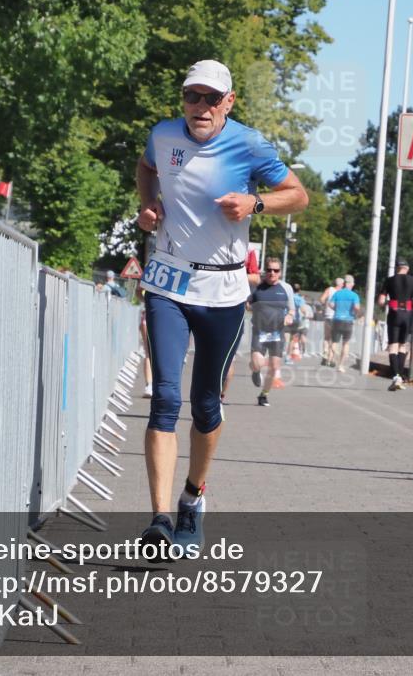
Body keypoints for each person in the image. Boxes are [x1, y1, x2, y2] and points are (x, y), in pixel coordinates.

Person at [136, 59, 308, 553]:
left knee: (206, 404)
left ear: (229, 102)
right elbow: (146, 168)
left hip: (224, 291)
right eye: (194, 96)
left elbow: (298, 195)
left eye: (213, 98)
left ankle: (192, 497)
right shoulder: (163, 136)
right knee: (166, 398)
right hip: (168, 280)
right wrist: (147, 207)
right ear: (183, 99)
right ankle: (159, 519)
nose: (202, 107)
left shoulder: (250, 144)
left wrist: (255, 205)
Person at [247, 259, 294, 406]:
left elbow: (291, 309)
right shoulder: (257, 288)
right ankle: (255, 371)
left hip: (277, 333)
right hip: (259, 331)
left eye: (275, 270)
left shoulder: (286, 288)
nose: (272, 273)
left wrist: (289, 316)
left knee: (274, 367)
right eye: (269, 270)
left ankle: (263, 395)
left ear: (280, 272)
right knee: (257, 363)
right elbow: (247, 304)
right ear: (265, 271)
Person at [221, 247, 261, 401]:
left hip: (233, 306)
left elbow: (255, 278)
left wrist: (230, 272)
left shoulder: (248, 250)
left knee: (228, 356)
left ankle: (219, 396)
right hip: (205, 303)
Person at [377, 259, 413, 391]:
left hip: (394, 313)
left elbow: (381, 301)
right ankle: (400, 376)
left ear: (397, 268)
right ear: (407, 268)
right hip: (408, 314)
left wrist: (387, 304)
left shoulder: (389, 280)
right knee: (403, 346)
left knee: (393, 346)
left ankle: (396, 376)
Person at [328, 275, 361, 372]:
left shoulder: (337, 293)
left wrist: (336, 309)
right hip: (348, 320)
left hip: (337, 319)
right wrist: (354, 312)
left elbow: (330, 304)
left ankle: (336, 354)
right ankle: (341, 366)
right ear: (351, 284)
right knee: (346, 343)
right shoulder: (354, 295)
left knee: (334, 342)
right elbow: (357, 307)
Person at [319, 277, 344, 366]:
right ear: (341, 284)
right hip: (337, 318)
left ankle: (325, 356)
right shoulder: (341, 293)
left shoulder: (329, 289)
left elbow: (321, 299)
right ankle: (331, 359)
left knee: (326, 337)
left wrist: (325, 307)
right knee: (335, 340)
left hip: (328, 316)